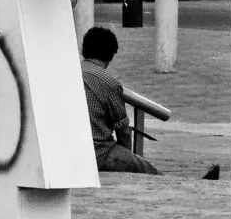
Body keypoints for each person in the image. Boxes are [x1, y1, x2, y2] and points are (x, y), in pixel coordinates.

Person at [81, 26, 219, 179]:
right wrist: (128, 158)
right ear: (110, 55)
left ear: (84, 49)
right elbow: (123, 130)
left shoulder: (70, 71)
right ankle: (189, 184)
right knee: (147, 169)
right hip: (98, 151)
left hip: (71, 148)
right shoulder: (109, 82)